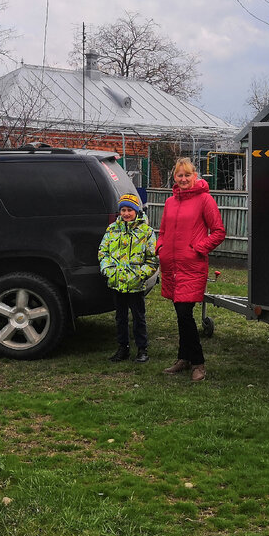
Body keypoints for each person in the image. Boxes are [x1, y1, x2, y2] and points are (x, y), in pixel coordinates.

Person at [157, 157, 226, 381]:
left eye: (187, 175)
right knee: (180, 314)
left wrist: (198, 248)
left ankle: (198, 363)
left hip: (191, 266)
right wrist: (161, 247)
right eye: (180, 175)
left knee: (185, 314)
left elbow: (218, 231)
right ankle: (183, 358)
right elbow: (164, 230)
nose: (184, 179)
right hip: (172, 266)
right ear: (174, 177)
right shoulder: (170, 202)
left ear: (195, 176)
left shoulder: (205, 199)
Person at [98, 192, 158, 363]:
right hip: (117, 283)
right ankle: (122, 348)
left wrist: (140, 275)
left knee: (139, 317)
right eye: (123, 210)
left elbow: (153, 258)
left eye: (129, 210)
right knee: (120, 317)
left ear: (136, 211)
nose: (126, 213)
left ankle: (142, 349)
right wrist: (109, 271)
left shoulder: (146, 232)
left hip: (136, 284)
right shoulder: (112, 229)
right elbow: (103, 252)